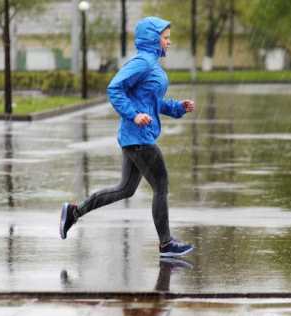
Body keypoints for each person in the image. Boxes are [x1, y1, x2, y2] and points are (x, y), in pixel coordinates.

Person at [60, 16, 195, 257]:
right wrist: (134, 116)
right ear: (153, 39)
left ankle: (74, 212)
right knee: (161, 186)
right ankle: (166, 244)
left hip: (137, 138)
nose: (169, 42)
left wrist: (177, 108)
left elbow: (151, 101)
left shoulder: (151, 64)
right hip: (139, 138)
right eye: (165, 38)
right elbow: (114, 88)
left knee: (125, 189)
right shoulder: (142, 62)